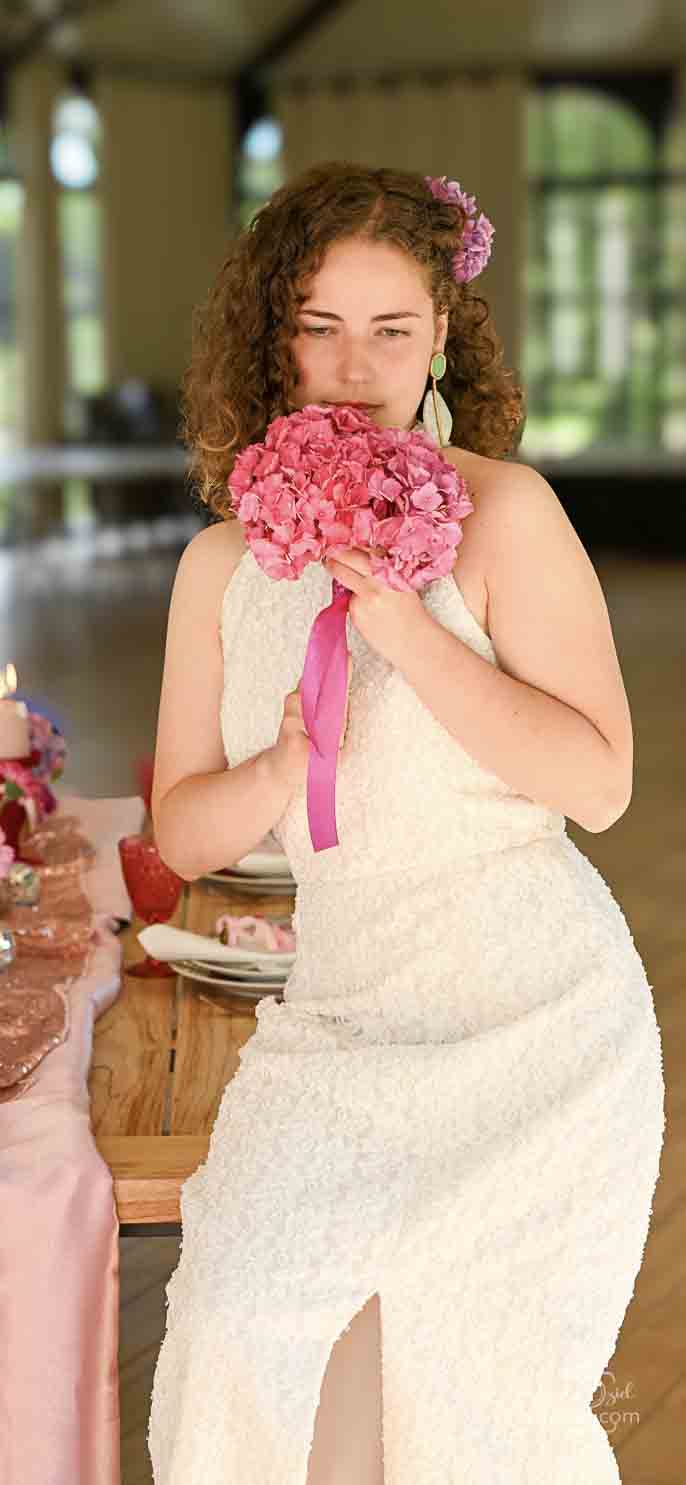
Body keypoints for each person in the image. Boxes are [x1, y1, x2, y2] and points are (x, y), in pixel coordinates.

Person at [145, 162, 665, 1484]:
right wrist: (274, 768)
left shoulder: (505, 511)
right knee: (234, 1334)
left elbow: (597, 783)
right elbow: (181, 836)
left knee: (460, 1392)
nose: (352, 365)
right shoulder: (218, 565)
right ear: (272, 340)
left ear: (442, 334)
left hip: (534, 1021)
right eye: (318, 327)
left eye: (389, 328)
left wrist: (408, 635)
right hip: (338, 1023)